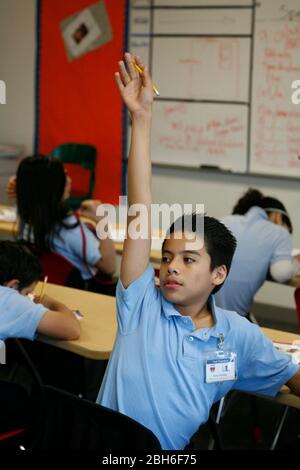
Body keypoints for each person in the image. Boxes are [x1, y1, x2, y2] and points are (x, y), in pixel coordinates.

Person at [96, 53, 300, 450]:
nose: (171, 267)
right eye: (167, 257)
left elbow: (289, 375)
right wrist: (141, 118)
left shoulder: (238, 335)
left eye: (189, 260)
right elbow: (141, 206)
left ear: (218, 275)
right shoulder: (141, 306)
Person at [8, 155, 116, 290]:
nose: (69, 180)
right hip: (86, 290)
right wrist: (102, 221)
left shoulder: (25, 215)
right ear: (53, 187)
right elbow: (109, 267)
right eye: (64, 176)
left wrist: (20, 185)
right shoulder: (68, 228)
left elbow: (30, 186)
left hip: (51, 286)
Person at [214, 188, 300, 318]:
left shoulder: (225, 220)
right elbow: (281, 273)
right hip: (232, 319)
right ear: (278, 216)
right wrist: (295, 262)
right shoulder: (278, 233)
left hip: (195, 308)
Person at [0, 240, 80, 341]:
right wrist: (50, 303)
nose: (27, 297)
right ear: (13, 285)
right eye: (27, 293)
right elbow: (72, 329)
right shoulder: (9, 299)